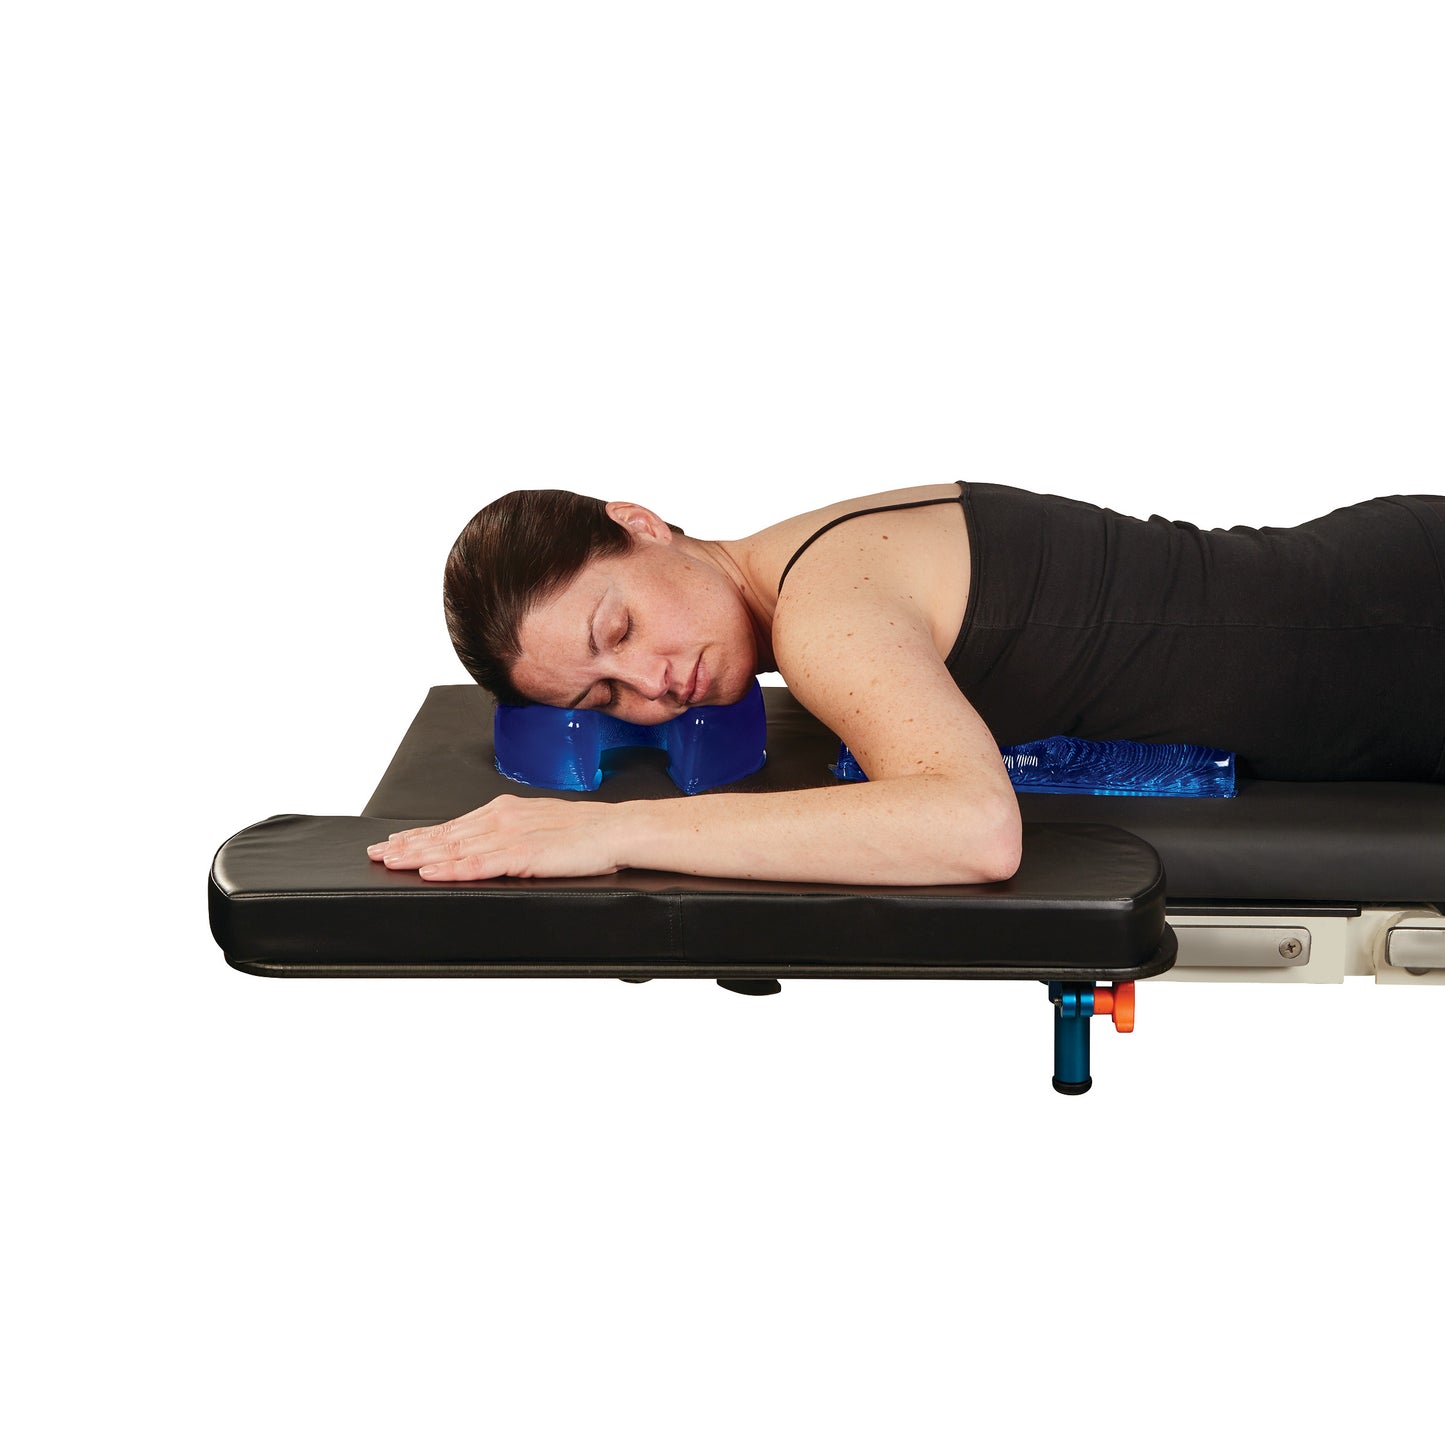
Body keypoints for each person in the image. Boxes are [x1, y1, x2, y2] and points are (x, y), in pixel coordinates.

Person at [367, 482, 1445, 885]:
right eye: (606, 698)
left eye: (620, 625)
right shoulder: (818, 546)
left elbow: (972, 827)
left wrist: (604, 834)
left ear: (641, 522)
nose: (654, 682)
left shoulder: (825, 606)